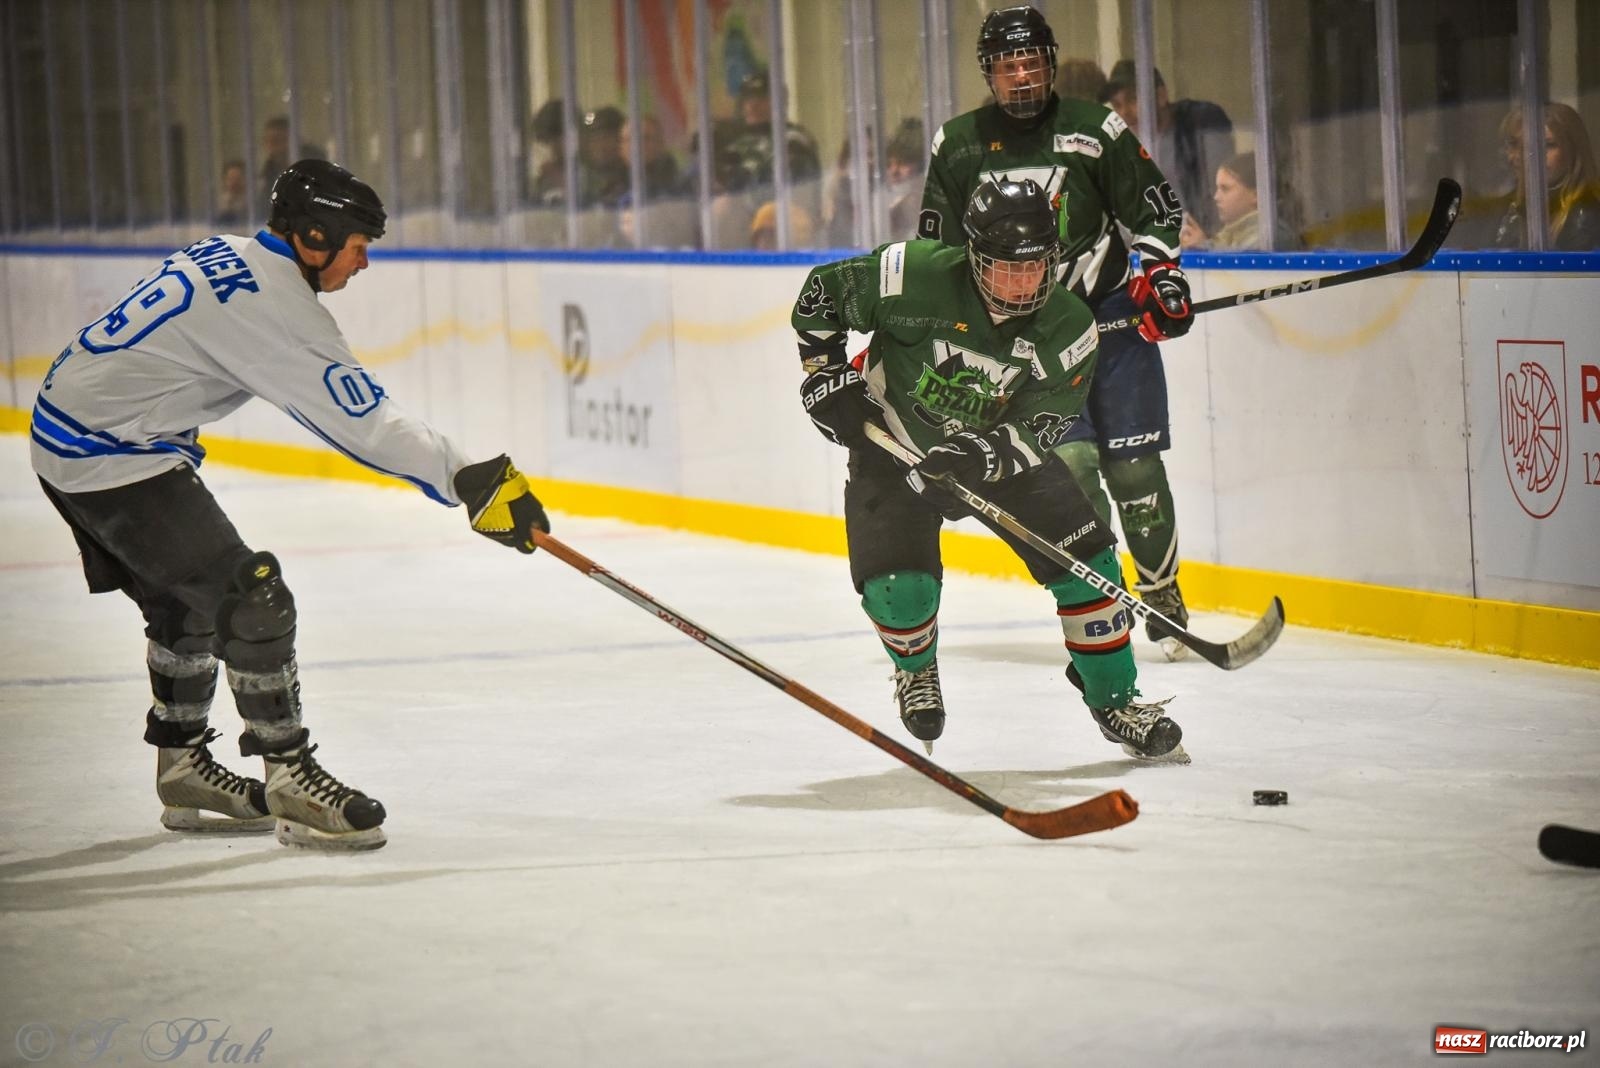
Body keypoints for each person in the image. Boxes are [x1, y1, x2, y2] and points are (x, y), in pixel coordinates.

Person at [29, 160, 550, 852]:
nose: (364, 263)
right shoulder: (274, 308)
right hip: (109, 454)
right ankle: (289, 778)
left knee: (188, 604)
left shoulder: (230, 252)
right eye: (357, 247)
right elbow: (365, 425)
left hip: (70, 435)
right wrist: (469, 481)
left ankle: (182, 769)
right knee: (254, 603)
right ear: (313, 237)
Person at [793, 177, 1186, 762]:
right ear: (975, 256)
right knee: (899, 590)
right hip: (894, 444)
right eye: (1007, 268)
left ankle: (1115, 699)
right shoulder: (910, 273)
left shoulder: (1069, 325)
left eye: (1036, 266)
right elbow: (820, 297)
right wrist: (824, 371)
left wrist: (981, 457)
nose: (1024, 282)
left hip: (998, 457)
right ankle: (916, 670)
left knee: (1089, 565)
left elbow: (1043, 423)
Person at [917, 6, 1197, 660]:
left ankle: (1161, 590)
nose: (1021, 76)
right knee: (1072, 467)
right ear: (989, 72)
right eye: (1008, 65)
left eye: (1030, 62)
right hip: (1030, 341)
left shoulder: (1094, 128)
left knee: (1136, 468)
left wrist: (1162, 276)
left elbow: (1153, 207)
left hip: (1112, 322)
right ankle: (1106, 597)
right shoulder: (957, 144)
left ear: (1048, 63)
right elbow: (938, 251)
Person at [1101, 59, 1233, 238]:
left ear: (1161, 96)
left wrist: (1209, 241)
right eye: (1117, 105)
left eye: (1132, 99)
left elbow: (1218, 198)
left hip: (1203, 244)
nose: (1124, 113)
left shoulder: (1199, 126)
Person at [1491, 102, 1600, 251]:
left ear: (1573, 150)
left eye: (1548, 145)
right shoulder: (1505, 208)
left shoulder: (1588, 213)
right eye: (1514, 144)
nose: (1526, 155)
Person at [255, 115, 322, 216]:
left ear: (293, 141)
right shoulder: (268, 173)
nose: (270, 147)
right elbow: (263, 210)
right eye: (267, 141)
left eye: (276, 141)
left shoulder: (314, 167)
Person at [216, 158, 248, 226]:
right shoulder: (221, 201)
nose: (234, 182)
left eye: (238, 178)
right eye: (230, 178)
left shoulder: (252, 203)